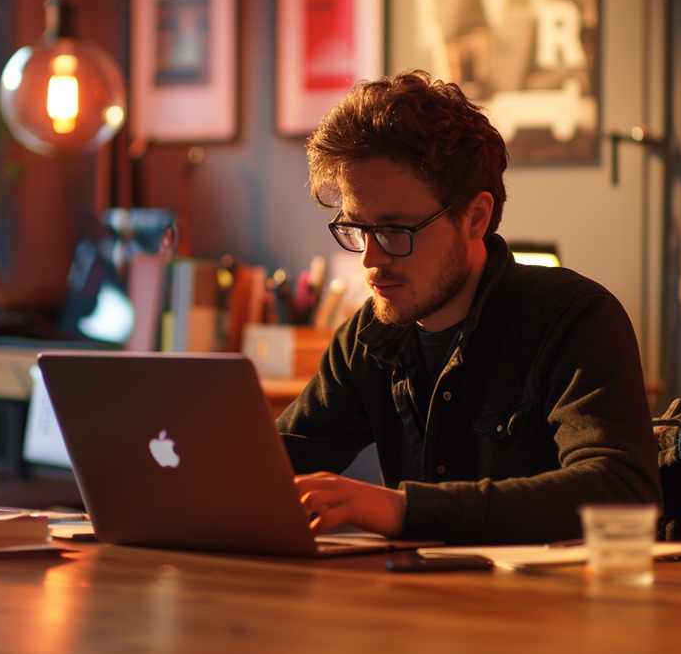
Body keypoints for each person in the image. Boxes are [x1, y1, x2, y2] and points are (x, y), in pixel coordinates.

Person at [278, 71, 661, 545]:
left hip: (555, 610)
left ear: (475, 218)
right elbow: (268, 468)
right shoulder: (367, 339)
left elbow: (622, 493)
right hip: (421, 607)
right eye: (357, 229)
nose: (370, 259)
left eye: (396, 231)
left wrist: (403, 509)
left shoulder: (574, 318)